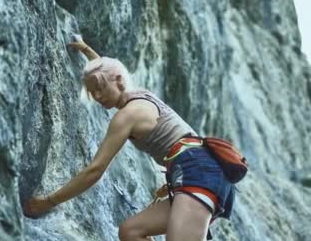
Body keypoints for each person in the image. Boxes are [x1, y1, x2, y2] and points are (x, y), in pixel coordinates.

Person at [22, 35, 235, 241]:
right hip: (198, 171)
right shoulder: (140, 95)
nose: (97, 96)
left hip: (197, 173)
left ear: (119, 81)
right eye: (92, 91)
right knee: (130, 232)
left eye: (100, 88)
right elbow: (109, 72)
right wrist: (87, 52)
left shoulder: (127, 116)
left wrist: (49, 201)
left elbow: (95, 170)